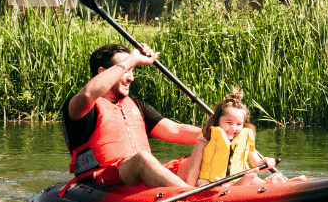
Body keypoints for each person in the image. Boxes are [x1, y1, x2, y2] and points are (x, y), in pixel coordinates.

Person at [62, 43, 202, 189]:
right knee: (142, 159)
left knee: (205, 152)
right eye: (126, 70)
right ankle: (192, 197)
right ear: (102, 72)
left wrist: (216, 134)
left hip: (142, 174)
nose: (131, 78)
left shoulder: (138, 107)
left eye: (132, 70)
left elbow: (177, 131)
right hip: (103, 180)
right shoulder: (82, 107)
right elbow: (87, 94)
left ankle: (207, 193)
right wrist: (132, 59)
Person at [179, 88, 295, 187]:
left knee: (253, 178)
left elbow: (258, 164)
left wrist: (266, 161)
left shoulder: (244, 140)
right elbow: (194, 169)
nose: (234, 128)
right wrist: (190, 189)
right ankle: (241, 184)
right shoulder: (205, 140)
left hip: (239, 178)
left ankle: (280, 183)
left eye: (239, 124)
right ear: (217, 120)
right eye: (229, 122)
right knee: (217, 184)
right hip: (211, 182)